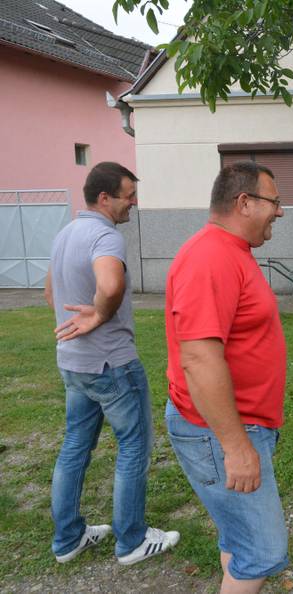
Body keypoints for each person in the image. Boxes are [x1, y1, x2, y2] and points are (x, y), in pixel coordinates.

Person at [45, 162, 179, 565]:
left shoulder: (65, 234)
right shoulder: (105, 236)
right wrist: (101, 314)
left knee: (74, 446)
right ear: (104, 198)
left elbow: (51, 293)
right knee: (134, 446)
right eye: (128, 196)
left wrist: (79, 321)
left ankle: (68, 539)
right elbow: (110, 284)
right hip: (112, 365)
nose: (133, 203)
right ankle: (132, 541)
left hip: (74, 364)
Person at [165, 161, 288, 592]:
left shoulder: (232, 251)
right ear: (244, 202)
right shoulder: (211, 257)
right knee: (263, 549)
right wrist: (236, 447)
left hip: (236, 426)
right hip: (219, 432)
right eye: (274, 201)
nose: (280, 211)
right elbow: (198, 358)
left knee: (240, 539)